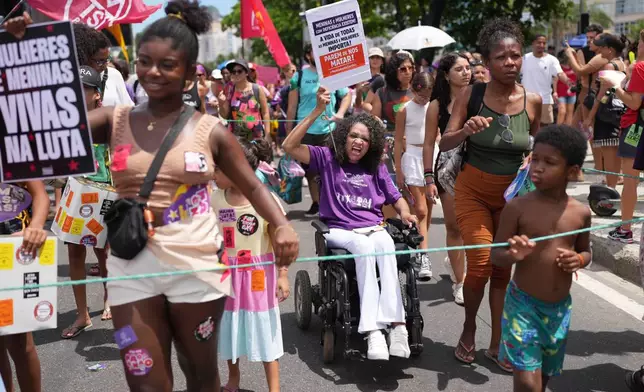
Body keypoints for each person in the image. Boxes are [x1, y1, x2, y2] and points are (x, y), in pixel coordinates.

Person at [16, 1, 300, 389]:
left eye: (167, 64)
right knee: (144, 380)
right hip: (131, 267)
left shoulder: (212, 130)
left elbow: (251, 185)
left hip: (197, 268)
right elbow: (46, 125)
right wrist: (25, 55)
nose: (153, 71)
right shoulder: (112, 120)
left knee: (201, 376)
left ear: (187, 74)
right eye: (145, 61)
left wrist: (282, 224)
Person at [283, 87, 417, 361]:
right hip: (340, 232)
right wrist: (318, 111)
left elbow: (396, 197)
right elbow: (288, 147)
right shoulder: (327, 158)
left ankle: (398, 327)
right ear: (344, 137)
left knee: (384, 243)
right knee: (364, 246)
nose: (358, 142)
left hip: (373, 228)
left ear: (372, 144)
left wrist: (405, 213)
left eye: (365, 139)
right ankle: (373, 332)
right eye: (353, 135)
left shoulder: (375, 166)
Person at [438, 18, 541, 371]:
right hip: (473, 193)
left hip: (513, 201)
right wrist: (466, 129)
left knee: (502, 272)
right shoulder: (472, 95)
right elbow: (445, 141)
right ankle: (469, 328)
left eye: (516, 55)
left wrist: (535, 158)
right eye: (501, 57)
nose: (510, 62)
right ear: (487, 60)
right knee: (481, 265)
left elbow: (540, 147)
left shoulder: (534, 101)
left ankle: (498, 343)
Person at [492, 125, 591, 391]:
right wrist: (512, 254)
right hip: (522, 306)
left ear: (572, 172)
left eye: (549, 162)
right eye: (535, 158)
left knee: (543, 378)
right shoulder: (517, 208)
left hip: (559, 310)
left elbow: (586, 251)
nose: (537, 167)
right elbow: (496, 255)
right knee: (528, 383)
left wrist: (579, 260)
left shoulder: (580, 213)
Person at [213, 138, 289, 392]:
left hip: (259, 277)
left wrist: (283, 275)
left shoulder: (266, 201)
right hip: (226, 277)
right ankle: (233, 378)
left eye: (218, 169)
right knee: (228, 328)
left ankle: (274, 387)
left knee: (265, 330)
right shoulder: (214, 199)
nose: (213, 174)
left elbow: (282, 242)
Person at [0, 15, 49, 391]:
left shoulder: (11, 141)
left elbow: (40, 195)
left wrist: (36, 224)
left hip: (13, 244)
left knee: (19, 339)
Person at [60, 66, 113, 339]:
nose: (79, 93)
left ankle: (108, 298)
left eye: (85, 88)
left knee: (102, 252)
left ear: (96, 94)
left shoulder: (107, 120)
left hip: (103, 191)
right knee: (74, 254)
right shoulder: (66, 119)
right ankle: (82, 314)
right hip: (74, 191)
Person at [423, 53, 472, 305]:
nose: (466, 72)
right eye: (459, 69)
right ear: (446, 75)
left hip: (478, 166)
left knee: (474, 227)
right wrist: (428, 178)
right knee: (454, 227)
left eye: (468, 68)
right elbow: (429, 143)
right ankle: (460, 282)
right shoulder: (436, 105)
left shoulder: (481, 96)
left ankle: (461, 263)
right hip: (448, 169)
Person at [286, 44, 351, 217]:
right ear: (308, 55)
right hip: (304, 129)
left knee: (330, 168)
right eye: (315, 51)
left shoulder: (333, 74)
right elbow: (292, 106)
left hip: (328, 129)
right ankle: (316, 203)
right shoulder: (298, 77)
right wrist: (289, 132)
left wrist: (340, 113)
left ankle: (329, 202)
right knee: (310, 170)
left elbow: (347, 95)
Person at [601, 29, 644, 244]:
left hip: (635, 128)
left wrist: (616, 87)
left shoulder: (640, 67)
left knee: (630, 181)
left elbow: (634, 102)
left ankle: (625, 229)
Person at [394, 72, 434, 281]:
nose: (424, 100)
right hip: (411, 156)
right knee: (420, 209)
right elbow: (398, 141)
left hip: (431, 156)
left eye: (428, 96)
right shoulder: (404, 110)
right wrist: (398, 169)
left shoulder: (433, 107)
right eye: (421, 96)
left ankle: (420, 247)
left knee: (428, 209)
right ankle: (424, 255)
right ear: (412, 89)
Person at [582, 33, 628, 188]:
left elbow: (601, 95)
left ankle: (610, 190)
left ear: (610, 49)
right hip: (619, 112)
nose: (599, 49)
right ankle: (612, 188)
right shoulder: (622, 64)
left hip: (606, 114)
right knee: (615, 156)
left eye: (602, 47)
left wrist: (590, 116)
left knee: (608, 157)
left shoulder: (609, 66)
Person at [73, 24, 134, 108]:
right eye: (100, 61)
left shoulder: (113, 75)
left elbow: (129, 109)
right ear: (83, 58)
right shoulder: (70, 79)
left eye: (107, 59)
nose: (105, 66)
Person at [521, 34, 570, 126]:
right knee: (527, 126)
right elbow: (515, 74)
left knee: (544, 128)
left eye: (544, 43)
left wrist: (568, 81)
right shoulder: (524, 59)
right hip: (527, 100)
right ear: (533, 43)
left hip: (545, 100)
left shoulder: (552, 60)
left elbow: (560, 73)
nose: (542, 45)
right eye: (539, 42)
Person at [218, 59, 271, 143]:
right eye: (233, 72)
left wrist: (268, 134)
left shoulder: (257, 89)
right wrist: (221, 104)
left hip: (257, 137)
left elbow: (265, 113)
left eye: (239, 71)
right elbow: (225, 116)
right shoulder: (229, 91)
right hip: (236, 138)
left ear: (246, 73)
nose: (236, 74)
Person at [354, 47, 386, 112]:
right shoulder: (361, 79)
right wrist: (359, 91)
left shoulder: (386, 78)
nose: (375, 60)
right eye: (372, 57)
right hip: (366, 115)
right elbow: (358, 104)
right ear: (368, 60)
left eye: (378, 57)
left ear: (382, 61)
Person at [556, 51, 577, 126]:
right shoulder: (559, 67)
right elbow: (555, 80)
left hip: (572, 92)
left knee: (570, 112)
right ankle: (557, 130)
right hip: (561, 92)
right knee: (562, 111)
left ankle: (568, 131)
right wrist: (554, 92)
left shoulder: (574, 67)